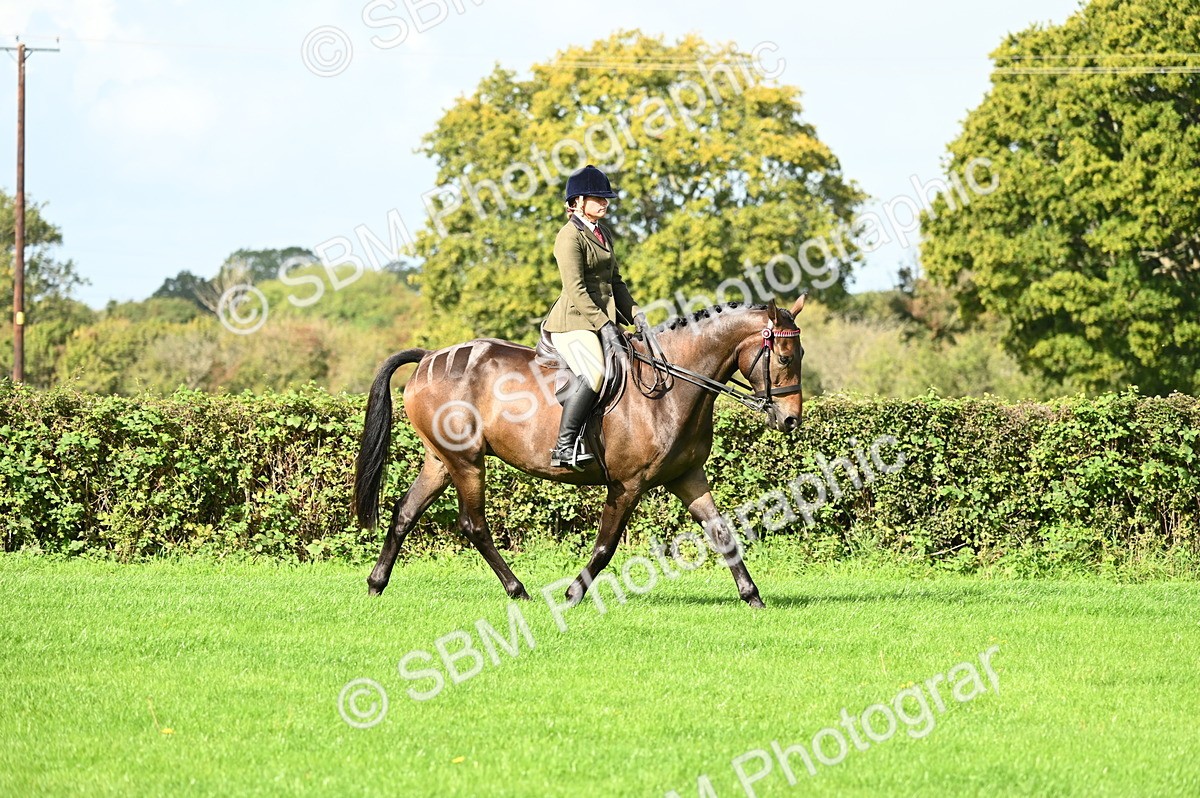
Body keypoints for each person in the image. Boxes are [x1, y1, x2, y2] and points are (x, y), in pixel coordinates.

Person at [543, 164, 644, 470]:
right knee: (596, 372)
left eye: (606, 198)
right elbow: (574, 289)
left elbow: (616, 282)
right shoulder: (569, 237)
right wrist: (605, 326)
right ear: (578, 202)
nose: (605, 202)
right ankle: (564, 445)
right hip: (573, 321)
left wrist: (637, 315)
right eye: (598, 198)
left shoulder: (603, 233)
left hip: (601, 320)